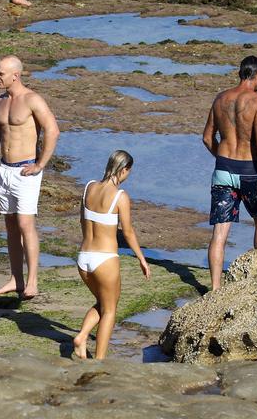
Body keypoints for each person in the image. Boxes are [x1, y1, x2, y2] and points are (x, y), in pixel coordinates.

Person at [0, 55, 60, 298]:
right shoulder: (0, 102)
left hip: (26, 170)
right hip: (4, 170)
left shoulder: (32, 99)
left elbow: (52, 129)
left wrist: (41, 164)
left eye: (0, 74)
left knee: (25, 224)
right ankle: (16, 279)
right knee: (10, 226)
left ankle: (32, 282)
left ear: (15, 75)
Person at [202, 56, 257, 292]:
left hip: (223, 168)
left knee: (220, 230)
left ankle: (214, 288)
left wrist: (221, 159)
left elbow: (206, 137)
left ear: (240, 73)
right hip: (249, 171)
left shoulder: (221, 98)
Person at [72, 150, 149, 360]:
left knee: (102, 302)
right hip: (105, 259)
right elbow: (128, 232)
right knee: (109, 311)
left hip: (83, 257)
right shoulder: (120, 196)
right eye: (128, 173)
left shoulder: (88, 187)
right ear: (124, 170)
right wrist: (142, 259)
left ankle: (81, 337)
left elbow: (82, 221)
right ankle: (99, 361)